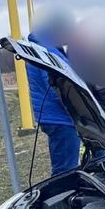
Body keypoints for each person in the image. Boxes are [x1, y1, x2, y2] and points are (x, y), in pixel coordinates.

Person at [26, 28, 81, 176]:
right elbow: (57, 86)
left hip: (55, 117)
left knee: (64, 168)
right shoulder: (46, 50)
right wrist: (78, 108)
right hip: (61, 118)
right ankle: (61, 195)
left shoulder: (43, 47)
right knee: (65, 171)